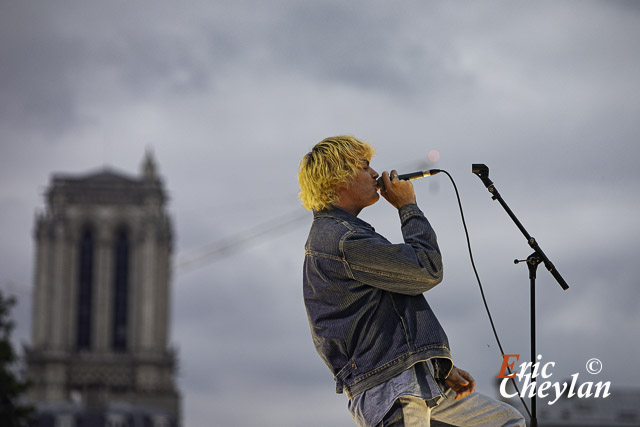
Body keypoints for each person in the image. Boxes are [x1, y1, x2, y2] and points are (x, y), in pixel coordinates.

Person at [299, 135, 525, 427]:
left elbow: (391, 311)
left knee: (506, 422)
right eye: (365, 166)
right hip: (391, 386)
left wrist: (437, 366)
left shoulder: (346, 235)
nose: (374, 174)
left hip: (413, 378)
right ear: (338, 179)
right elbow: (426, 268)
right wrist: (408, 207)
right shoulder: (343, 240)